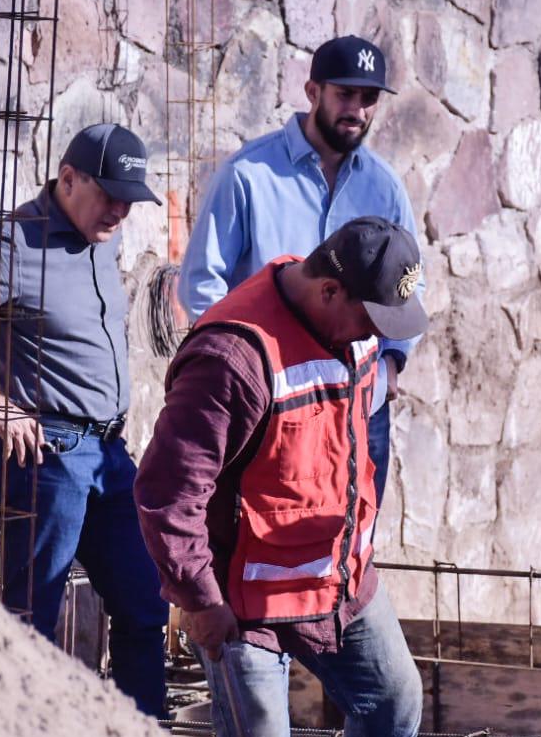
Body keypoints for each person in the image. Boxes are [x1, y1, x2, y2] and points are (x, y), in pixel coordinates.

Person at [136, 217, 427, 737]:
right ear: (329, 293)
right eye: (372, 319)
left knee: (395, 704)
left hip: (340, 579)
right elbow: (168, 494)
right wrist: (201, 602)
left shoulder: (350, 324)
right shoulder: (233, 358)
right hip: (247, 603)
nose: (378, 336)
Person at [0, 123, 169, 717]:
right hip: (48, 459)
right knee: (33, 620)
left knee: (145, 605)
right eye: (110, 194)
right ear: (69, 178)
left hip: (109, 459)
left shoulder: (103, 234)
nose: (120, 210)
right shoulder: (16, 246)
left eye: (129, 198)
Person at [178, 34, 421, 506]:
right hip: (269, 403)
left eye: (368, 98)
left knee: (351, 544)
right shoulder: (248, 174)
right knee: (254, 536)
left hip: (357, 402)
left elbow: (409, 283)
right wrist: (237, 376)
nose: (358, 109)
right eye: (344, 94)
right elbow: (203, 283)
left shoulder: (386, 188)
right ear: (312, 93)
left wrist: (391, 367)